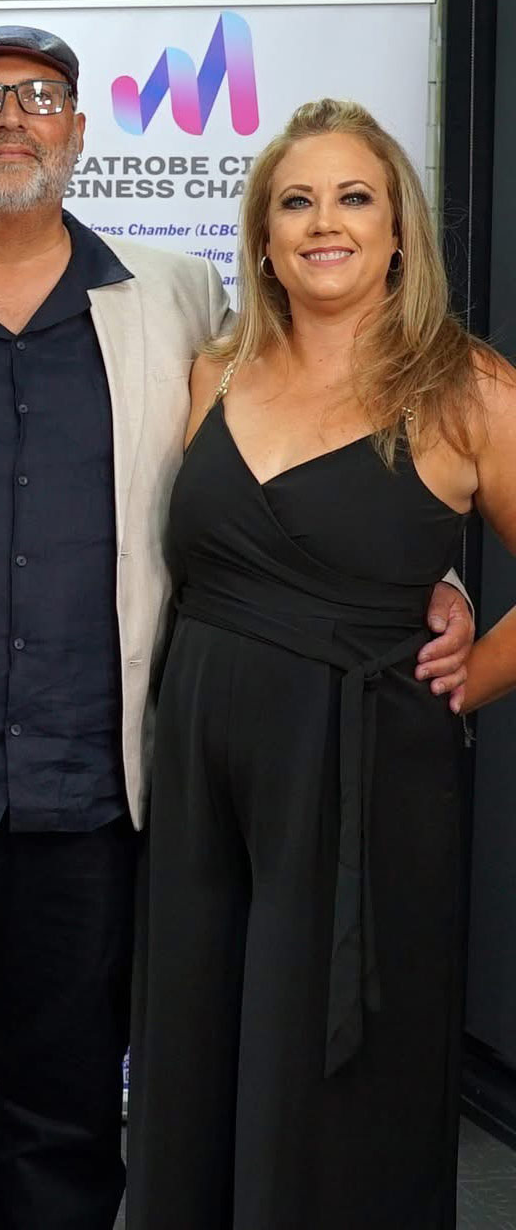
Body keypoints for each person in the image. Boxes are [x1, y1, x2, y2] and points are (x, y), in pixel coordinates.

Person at [0, 28, 474, 1230]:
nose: (10, 121)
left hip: (97, 790)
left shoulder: (175, 295)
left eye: (38, 98)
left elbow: (295, 468)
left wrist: (432, 567)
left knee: (70, 1114)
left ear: (78, 133)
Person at [127, 99, 516, 1229]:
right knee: (197, 1052)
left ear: (400, 231)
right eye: (295, 201)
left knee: (337, 1075)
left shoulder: (465, 385)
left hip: (364, 782)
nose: (323, 223)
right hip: (202, 775)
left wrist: (474, 671)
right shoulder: (210, 374)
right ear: (260, 236)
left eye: (354, 197)